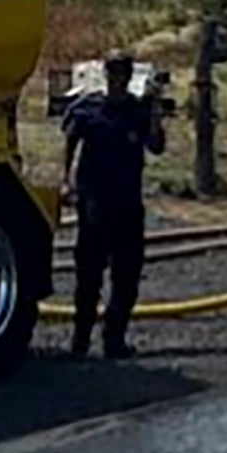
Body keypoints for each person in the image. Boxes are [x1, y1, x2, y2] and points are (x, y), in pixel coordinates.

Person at [59, 47, 165, 358]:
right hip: (95, 204)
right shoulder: (88, 109)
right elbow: (70, 142)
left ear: (130, 76)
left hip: (128, 204)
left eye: (123, 72)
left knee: (126, 276)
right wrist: (66, 181)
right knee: (88, 277)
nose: (118, 78)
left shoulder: (138, 110)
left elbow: (156, 146)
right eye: (113, 71)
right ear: (106, 74)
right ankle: (80, 341)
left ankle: (114, 339)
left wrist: (156, 112)